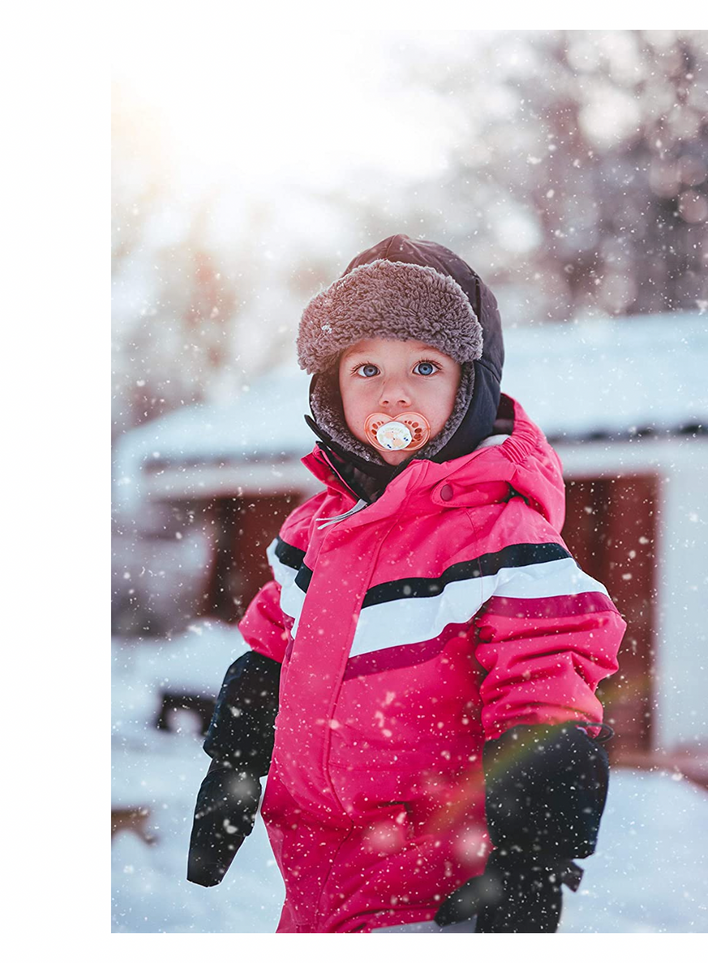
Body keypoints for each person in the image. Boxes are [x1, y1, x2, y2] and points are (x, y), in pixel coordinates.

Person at [187, 234, 626, 933]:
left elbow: (546, 694)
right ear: (331, 387)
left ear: (470, 386)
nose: (392, 390)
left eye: (424, 364)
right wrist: (235, 762)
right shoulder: (316, 531)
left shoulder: (501, 538)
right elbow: (274, 647)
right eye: (366, 367)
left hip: (437, 887)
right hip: (319, 881)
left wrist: (532, 859)